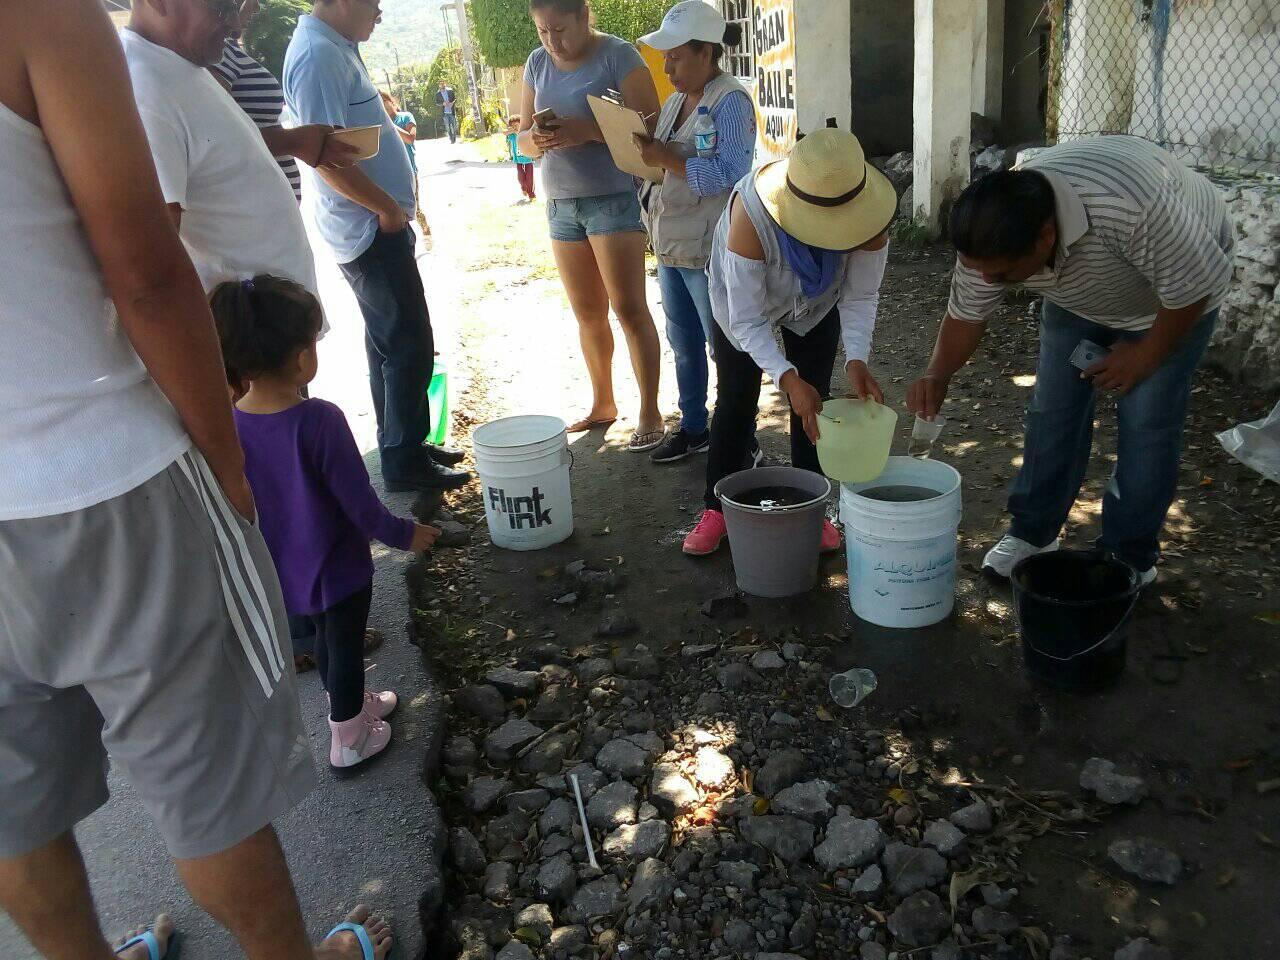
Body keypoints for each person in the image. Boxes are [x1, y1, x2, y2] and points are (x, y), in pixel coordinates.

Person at [0, 2, 391, 958]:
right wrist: (225, 459)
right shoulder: (43, 17)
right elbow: (145, 268)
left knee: (14, 807)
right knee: (206, 789)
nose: (242, 9)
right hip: (102, 474)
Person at [907, 136, 1235, 584]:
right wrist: (937, 373)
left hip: (1172, 301)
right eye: (979, 269)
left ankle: (1129, 557)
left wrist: (1143, 357)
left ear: (1044, 237)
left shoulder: (1130, 207)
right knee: (1053, 411)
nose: (988, 281)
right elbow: (967, 313)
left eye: (1001, 275)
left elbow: (1193, 287)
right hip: (1078, 299)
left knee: (1147, 426)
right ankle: (1033, 533)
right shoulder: (991, 236)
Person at [212, 276, 440, 772]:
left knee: (323, 639)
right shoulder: (319, 420)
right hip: (336, 565)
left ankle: (352, 707)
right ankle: (349, 737)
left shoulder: (231, 420)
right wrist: (406, 534)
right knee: (344, 648)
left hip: (281, 564)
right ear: (300, 358)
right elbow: (360, 504)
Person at [682, 128, 897, 556]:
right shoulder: (751, 217)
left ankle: (812, 507)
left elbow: (860, 294)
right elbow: (746, 321)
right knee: (737, 399)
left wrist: (857, 358)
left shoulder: (871, 220)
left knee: (813, 399)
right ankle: (716, 508)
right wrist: (784, 377)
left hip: (817, 306)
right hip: (743, 307)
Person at [284, 0, 470, 492]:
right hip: (368, 227)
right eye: (373, 2)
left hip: (374, 223)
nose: (381, 10)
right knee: (408, 343)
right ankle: (404, 463)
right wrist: (386, 208)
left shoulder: (336, 47)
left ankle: (404, 443)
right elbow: (324, 156)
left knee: (389, 344)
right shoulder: (318, 56)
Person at [515, 0, 667, 452]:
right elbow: (520, 138)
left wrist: (589, 130)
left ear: (585, 16)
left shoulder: (618, 56)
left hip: (613, 199)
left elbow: (650, 132)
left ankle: (650, 411)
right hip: (561, 203)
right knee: (587, 314)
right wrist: (535, 140)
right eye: (542, 31)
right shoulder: (536, 63)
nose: (551, 41)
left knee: (628, 308)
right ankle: (603, 402)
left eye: (559, 29)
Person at [121, 0, 350, 299]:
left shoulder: (181, 62)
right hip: (251, 328)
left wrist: (295, 141)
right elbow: (155, 269)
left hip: (280, 317)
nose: (235, 24)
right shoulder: (146, 87)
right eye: (221, 8)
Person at [634, 0, 756, 464]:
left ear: (707, 53)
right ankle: (694, 428)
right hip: (671, 245)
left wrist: (663, 157)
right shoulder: (673, 103)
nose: (668, 67)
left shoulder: (731, 101)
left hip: (711, 249)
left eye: (677, 57)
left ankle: (743, 437)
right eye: (666, 57)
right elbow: (660, 165)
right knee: (683, 343)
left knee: (723, 347)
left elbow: (732, 171)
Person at [212, 0, 304, 203]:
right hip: (254, 203)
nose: (256, 8)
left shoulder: (229, 50)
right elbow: (221, 140)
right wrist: (297, 141)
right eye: (243, 3)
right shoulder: (219, 55)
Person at [381, 90, 431, 235]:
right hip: (389, 174)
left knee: (414, 207)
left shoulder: (405, 117)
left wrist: (389, 125)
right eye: (380, 103)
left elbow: (410, 138)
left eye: (385, 101)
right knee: (395, 211)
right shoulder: (379, 124)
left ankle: (426, 230)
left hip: (408, 171)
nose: (383, 105)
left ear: (392, 102)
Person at [507, 115, 537, 202]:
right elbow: (504, 133)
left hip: (528, 159)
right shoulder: (512, 136)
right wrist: (513, 130)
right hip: (518, 161)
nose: (514, 127)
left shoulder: (525, 134)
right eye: (512, 126)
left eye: (516, 125)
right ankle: (523, 187)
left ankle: (532, 195)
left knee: (529, 178)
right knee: (520, 177)